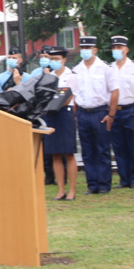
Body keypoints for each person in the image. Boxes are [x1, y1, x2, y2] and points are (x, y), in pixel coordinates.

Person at [72, 36, 119, 195]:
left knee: (102, 150)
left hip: (100, 112)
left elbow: (115, 91)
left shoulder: (105, 68)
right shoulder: (77, 69)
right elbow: (75, 95)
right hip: (84, 113)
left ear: (95, 50)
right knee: (87, 151)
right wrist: (77, 115)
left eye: (88, 48)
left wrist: (111, 115)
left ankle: (104, 184)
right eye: (82, 48)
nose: (85, 51)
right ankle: (92, 184)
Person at [42, 47, 78, 201]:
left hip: (65, 113)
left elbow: (68, 98)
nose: (54, 61)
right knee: (55, 154)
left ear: (64, 60)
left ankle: (72, 190)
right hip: (50, 114)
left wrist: (53, 103)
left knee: (68, 153)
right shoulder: (47, 76)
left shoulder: (72, 76)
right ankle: (61, 190)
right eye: (52, 59)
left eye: (57, 58)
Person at [109, 36, 134, 189]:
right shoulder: (109, 68)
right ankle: (124, 179)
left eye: (120, 47)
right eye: (114, 47)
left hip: (131, 108)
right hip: (115, 110)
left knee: (132, 145)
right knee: (118, 146)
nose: (117, 50)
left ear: (126, 49)